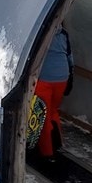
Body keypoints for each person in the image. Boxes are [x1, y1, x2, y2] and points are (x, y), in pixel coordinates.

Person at [34, 26, 72, 160]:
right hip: (62, 77)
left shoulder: (39, 32)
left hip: (44, 78)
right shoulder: (63, 34)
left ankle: (47, 152)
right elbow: (70, 56)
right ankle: (58, 144)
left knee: (42, 115)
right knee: (53, 111)